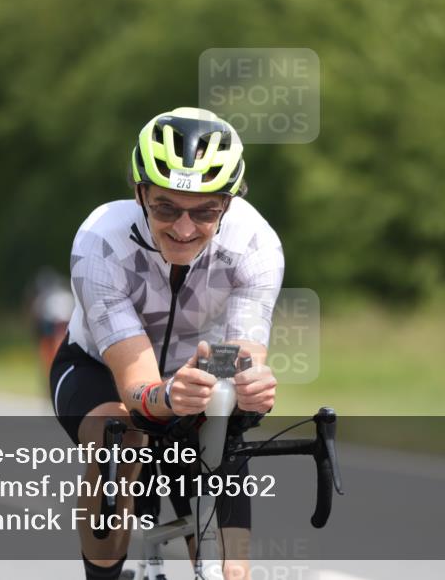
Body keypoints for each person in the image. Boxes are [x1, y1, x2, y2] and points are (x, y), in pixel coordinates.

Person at [50, 107, 283, 580]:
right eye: (166, 208)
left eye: (205, 212)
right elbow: (136, 386)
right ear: (140, 194)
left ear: (229, 204)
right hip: (99, 372)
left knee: (230, 568)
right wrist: (169, 395)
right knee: (122, 440)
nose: (184, 228)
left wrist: (247, 389)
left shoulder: (255, 246)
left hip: (199, 376)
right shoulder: (101, 241)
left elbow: (240, 357)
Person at [30, 268, 75, 378]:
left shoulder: (44, 297)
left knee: (51, 350)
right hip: (58, 325)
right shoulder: (65, 294)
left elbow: (36, 316)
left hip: (54, 326)